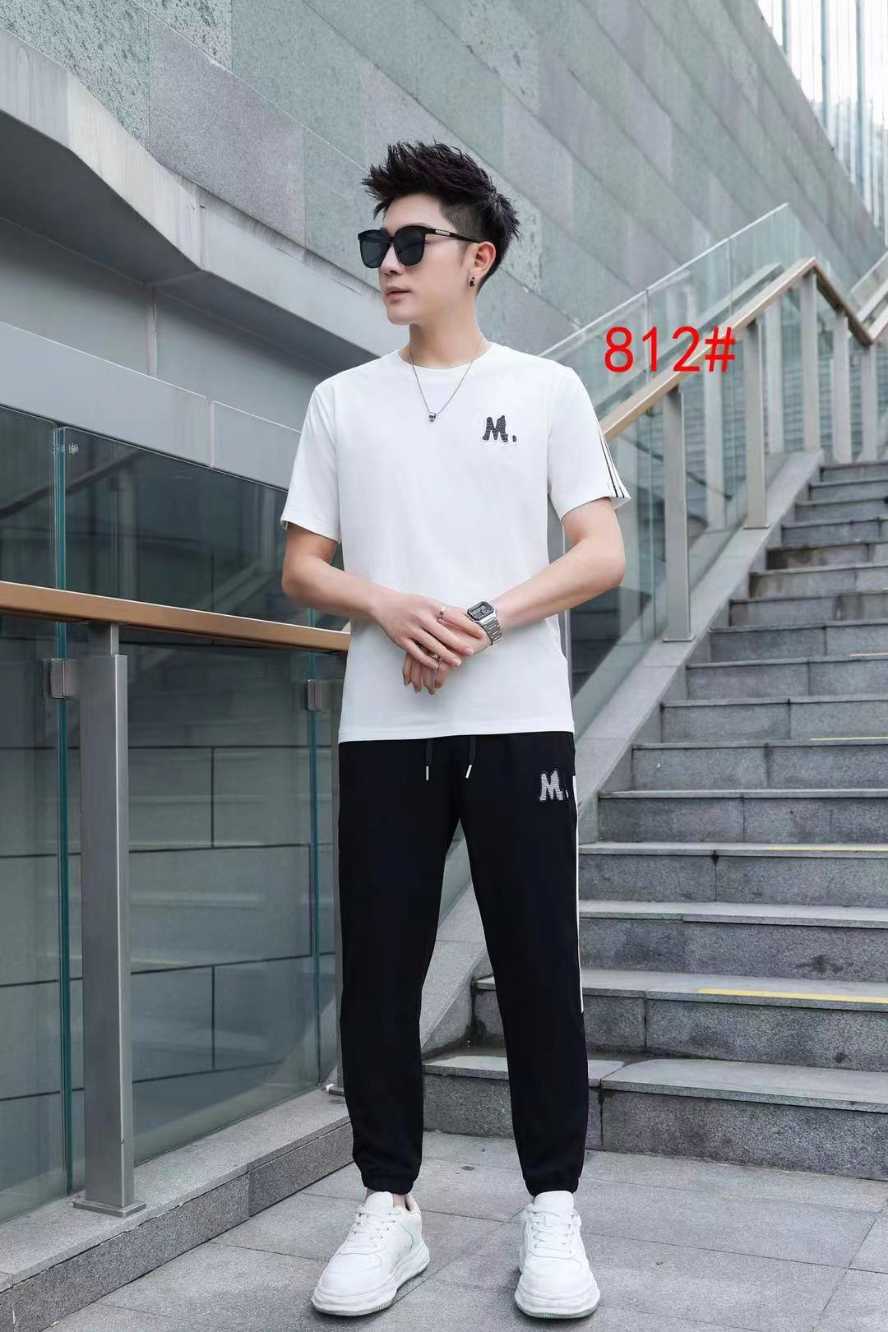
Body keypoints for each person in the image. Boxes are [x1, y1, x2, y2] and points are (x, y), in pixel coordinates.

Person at [280, 139, 631, 1320]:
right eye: (376, 242)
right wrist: (389, 606)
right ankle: (390, 1206)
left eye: (411, 241)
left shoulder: (546, 391)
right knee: (380, 973)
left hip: (521, 721)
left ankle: (554, 1206)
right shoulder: (341, 403)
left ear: (475, 259)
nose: (388, 261)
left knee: (538, 969)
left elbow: (600, 551)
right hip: (384, 728)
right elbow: (303, 567)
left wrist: (479, 619)